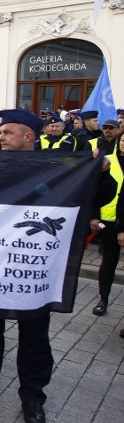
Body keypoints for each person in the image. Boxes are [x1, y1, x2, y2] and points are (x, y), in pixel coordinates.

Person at [0, 108, 108, 423]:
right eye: (2, 131)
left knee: (34, 333)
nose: (1, 136)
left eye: (8, 132)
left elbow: (101, 194)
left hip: (33, 266)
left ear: (28, 137)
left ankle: (32, 395)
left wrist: (99, 172)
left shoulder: (55, 167)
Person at [89, 130, 124, 317]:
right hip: (109, 222)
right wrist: (94, 215)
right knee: (108, 263)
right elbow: (93, 189)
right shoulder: (108, 160)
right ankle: (103, 299)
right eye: (123, 140)